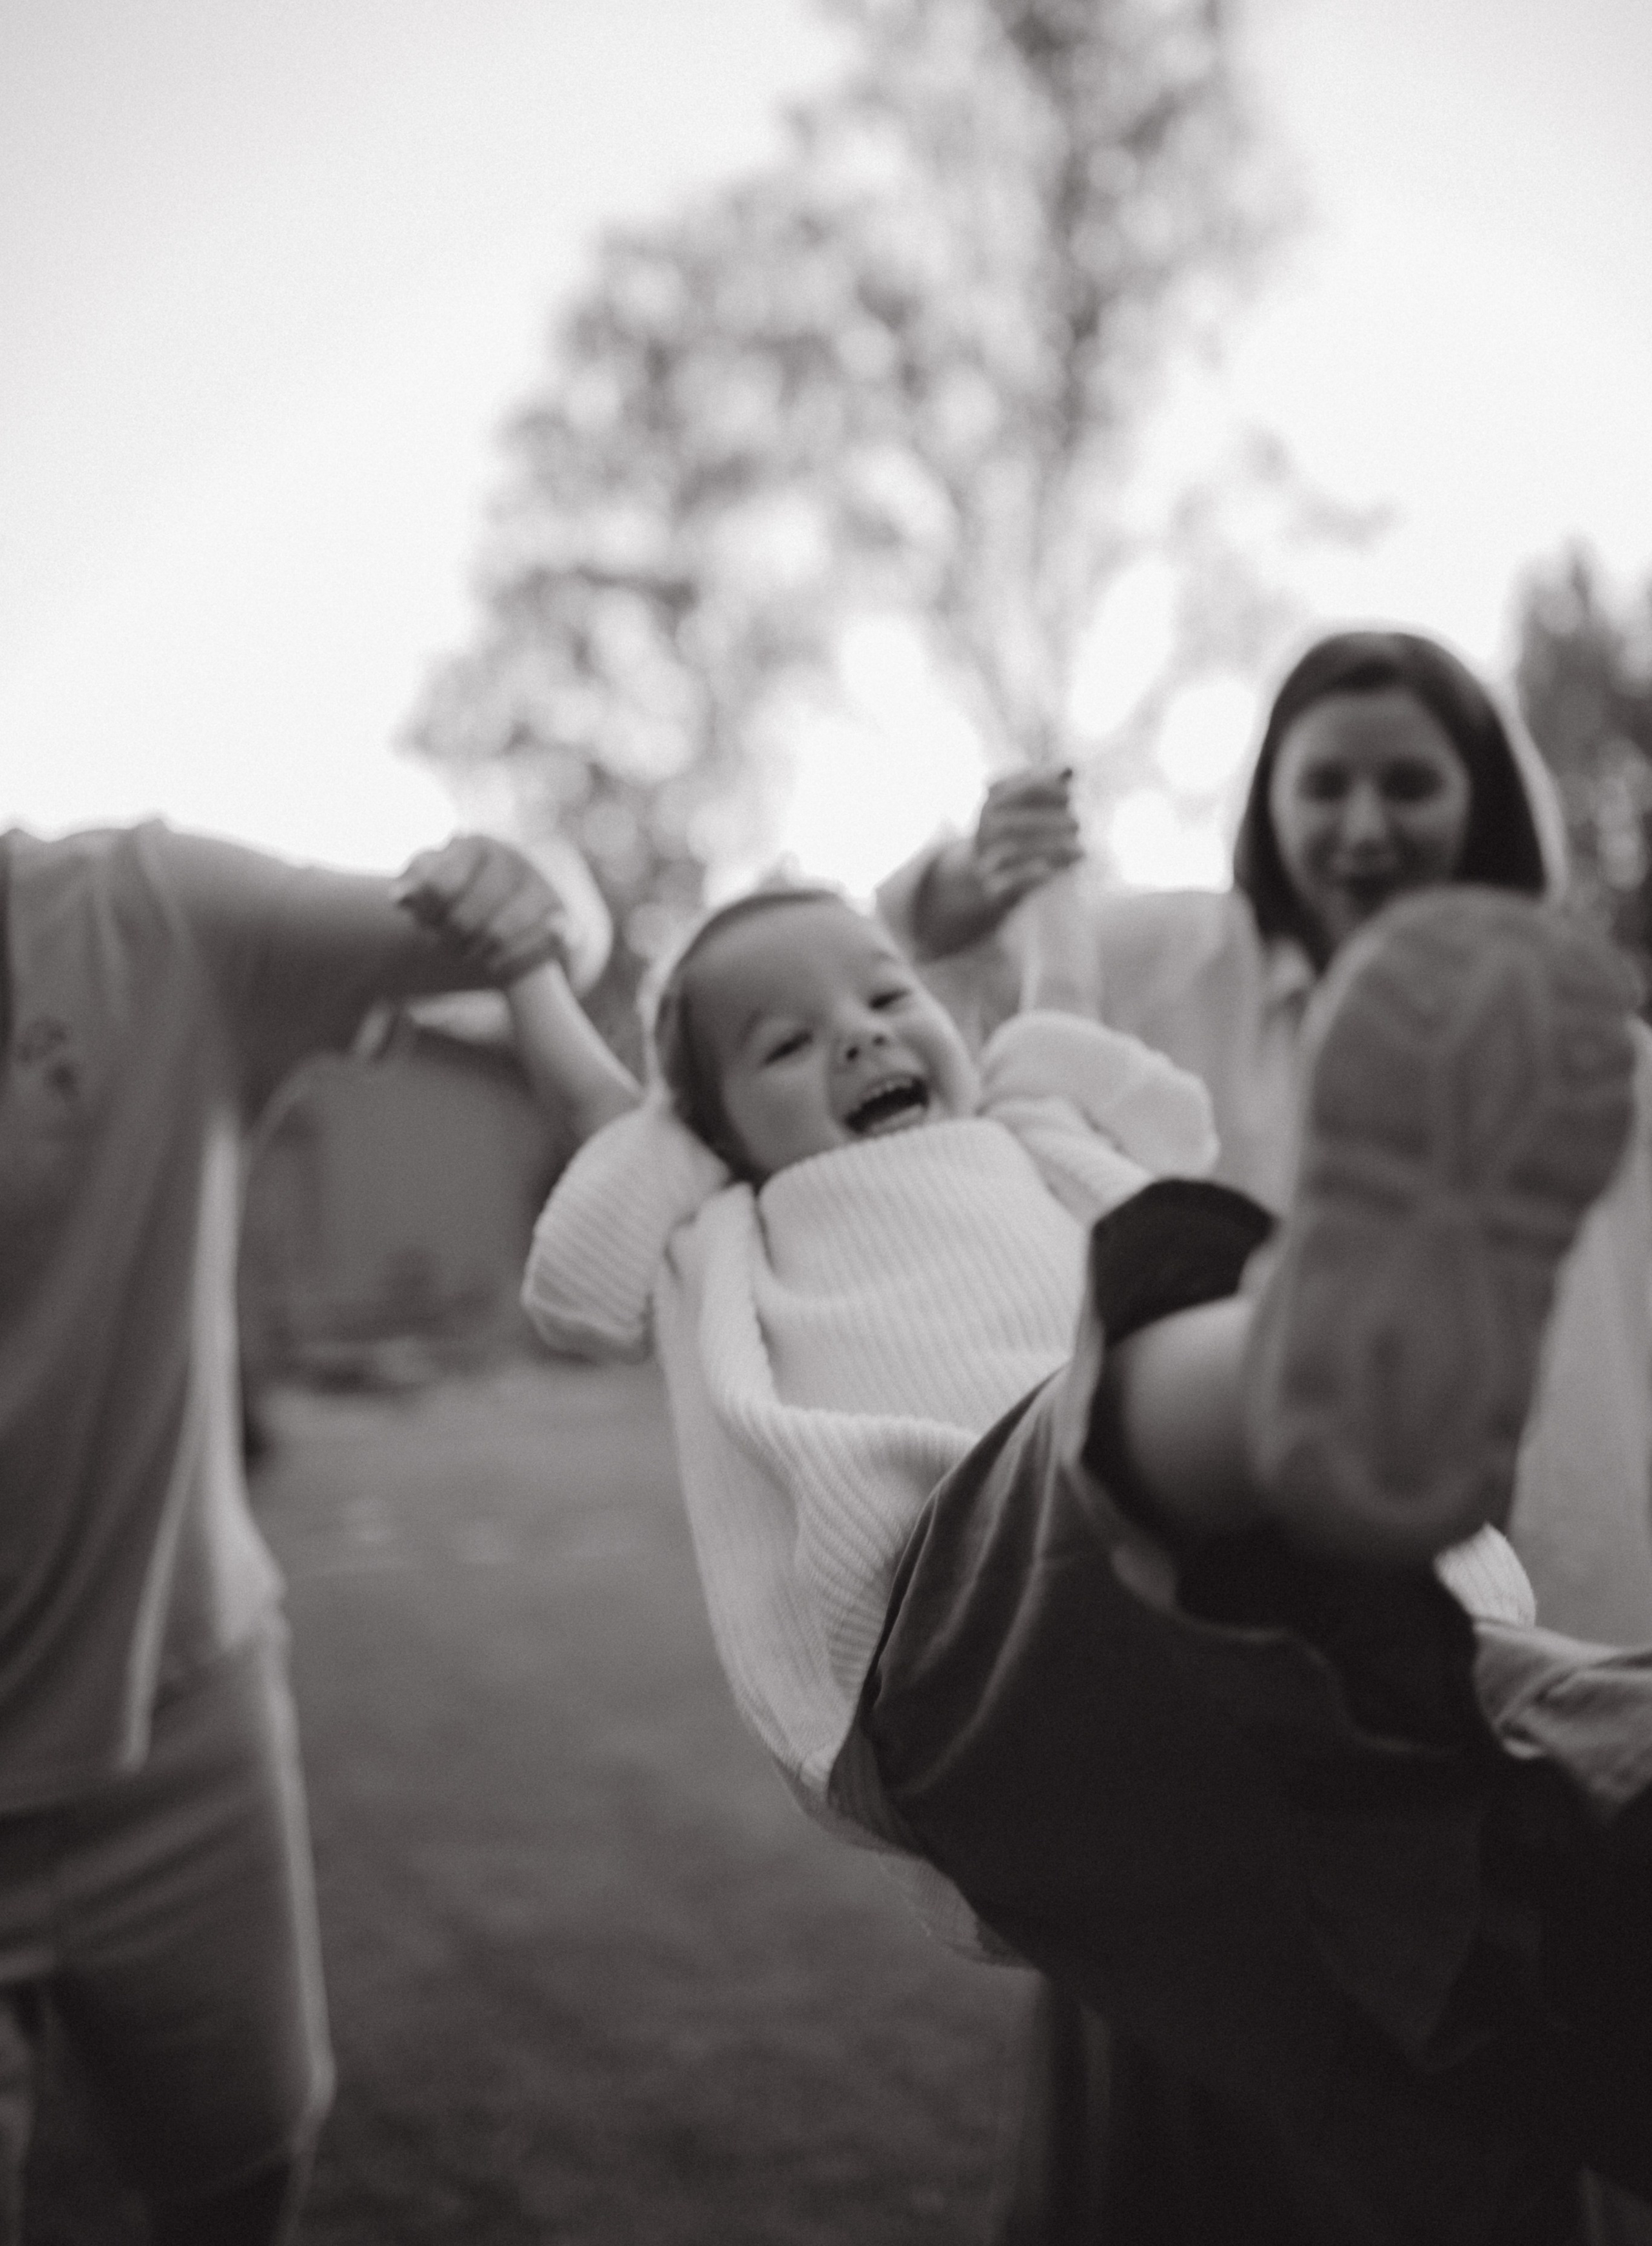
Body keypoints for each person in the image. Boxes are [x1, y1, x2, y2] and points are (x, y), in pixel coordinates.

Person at [497, 864, 1652, 2238]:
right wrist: (520, 964)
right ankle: (1306, 1357)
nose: (858, 1035)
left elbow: (1063, 991)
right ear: (706, 1132)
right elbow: (597, 1144)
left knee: (1529, 1740)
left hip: (1268, 1618)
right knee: (1117, 1383)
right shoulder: (718, 1227)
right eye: (786, 1042)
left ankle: (1309, 1385)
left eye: (886, 993)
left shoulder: (1030, 1127)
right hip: (958, 1604)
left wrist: (1040, 886)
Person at [876, 625, 1652, 2238]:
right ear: (1268, 800)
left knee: (1493, 2096)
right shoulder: (1171, 965)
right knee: (1196, 2101)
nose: (1361, 824)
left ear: (1482, 798)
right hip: (1210, 1662)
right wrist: (970, 869)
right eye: (1325, 784)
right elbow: (911, 974)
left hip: (1546, 1634)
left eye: (1406, 783)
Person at [0, 815, 607, 2246]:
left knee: (243, 2169)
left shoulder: (148, 915)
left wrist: (531, 884)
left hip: (184, 1712)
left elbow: (546, 926)